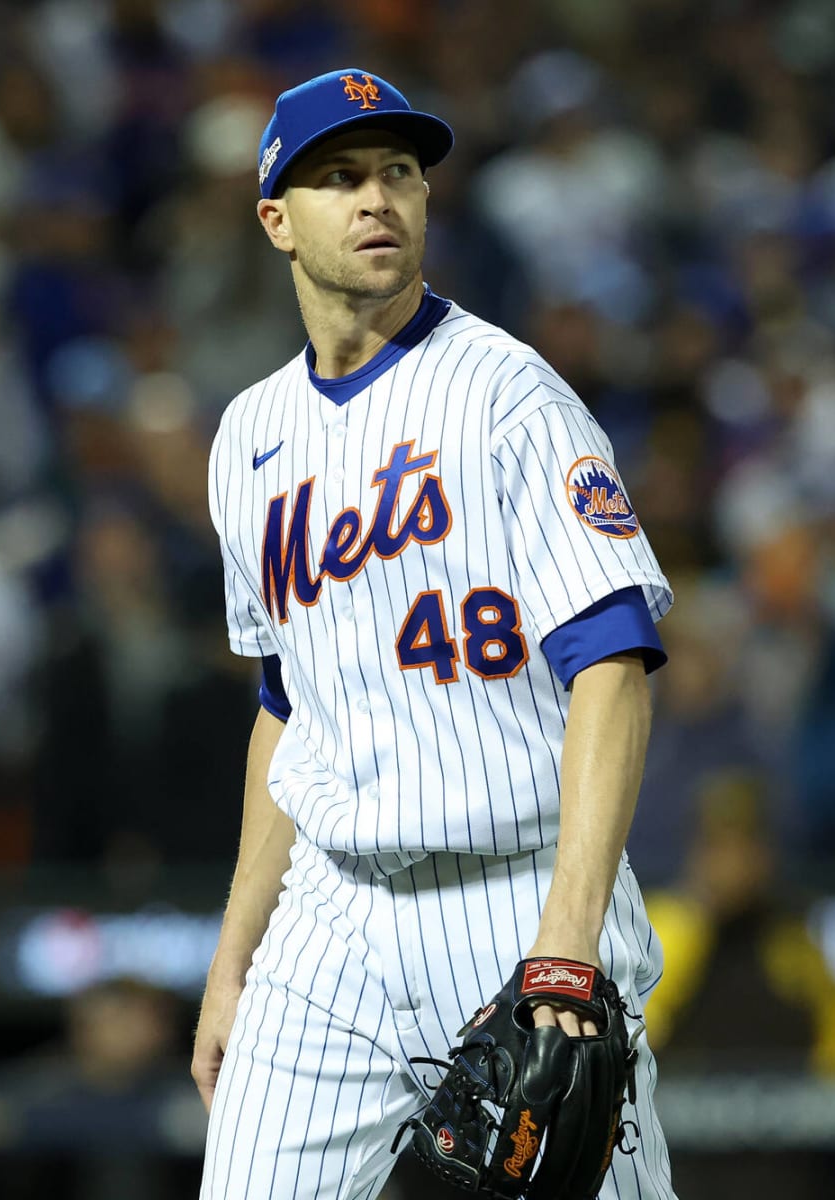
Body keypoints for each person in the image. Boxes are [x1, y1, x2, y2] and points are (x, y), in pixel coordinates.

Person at [191, 68, 677, 1200]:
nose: (378, 199)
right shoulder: (248, 435)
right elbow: (285, 710)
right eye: (340, 178)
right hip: (329, 920)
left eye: (399, 172)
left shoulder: (512, 397)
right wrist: (234, 963)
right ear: (276, 220)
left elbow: (612, 669)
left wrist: (565, 941)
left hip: (516, 894)